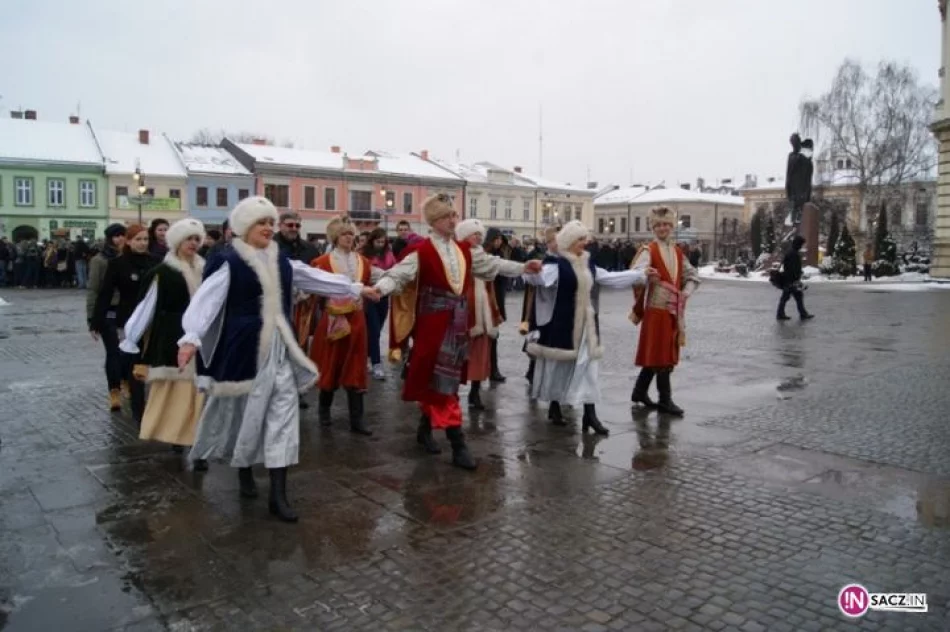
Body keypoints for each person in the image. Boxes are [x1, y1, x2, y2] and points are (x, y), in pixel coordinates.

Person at [176, 196, 380, 523]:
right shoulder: (230, 259)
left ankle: (278, 494)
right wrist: (190, 336)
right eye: (262, 223)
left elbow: (311, 278)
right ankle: (243, 470)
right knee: (247, 414)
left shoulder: (281, 259)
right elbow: (206, 301)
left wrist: (355, 288)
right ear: (245, 226)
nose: (269, 228)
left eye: (272, 223)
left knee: (283, 415)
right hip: (245, 350)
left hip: (280, 349)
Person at [373, 194, 540, 470]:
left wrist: (523, 267)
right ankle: (457, 442)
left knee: (442, 380)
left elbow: (492, 264)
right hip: (432, 324)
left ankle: (425, 429)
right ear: (436, 221)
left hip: (457, 322)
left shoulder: (464, 250)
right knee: (442, 382)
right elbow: (398, 274)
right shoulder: (422, 252)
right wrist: (379, 290)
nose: (454, 220)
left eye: (454, 215)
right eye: (449, 216)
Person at [525, 221, 653, 434]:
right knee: (560, 368)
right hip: (564, 325)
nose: (585, 243)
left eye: (585, 238)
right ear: (569, 241)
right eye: (580, 239)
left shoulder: (588, 264)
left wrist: (641, 274)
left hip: (587, 328)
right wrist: (530, 270)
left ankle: (590, 414)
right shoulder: (556, 266)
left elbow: (610, 278)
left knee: (588, 369)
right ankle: (555, 405)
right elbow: (536, 279)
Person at [119, 219, 208, 467]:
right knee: (175, 392)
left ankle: (198, 445)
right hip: (171, 338)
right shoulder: (161, 273)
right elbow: (145, 308)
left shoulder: (205, 269)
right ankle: (177, 437)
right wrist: (132, 339)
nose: (193, 243)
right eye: (189, 238)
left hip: (201, 341)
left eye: (196, 239)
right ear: (177, 241)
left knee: (199, 394)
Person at [630, 207, 701, 417]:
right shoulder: (648, 250)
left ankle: (639, 392)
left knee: (663, 352)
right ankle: (664, 399)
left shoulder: (678, 251)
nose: (663, 228)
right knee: (661, 355)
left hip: (673, 310)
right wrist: (646, 275)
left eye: (666, 225)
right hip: (656, 308)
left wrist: (686, 292)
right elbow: (635, 274)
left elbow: (692, 274)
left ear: (671, 227)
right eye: (659, 225)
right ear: (653, 227)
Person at [310, 216, 375, 435]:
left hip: (357, 320)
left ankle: (357, 420)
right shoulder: (322, 262)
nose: (349, 237)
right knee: (331, 365)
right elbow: (312, 292)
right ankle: (324, 411)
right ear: (335, 237)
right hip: (332, 321)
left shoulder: (364, 262)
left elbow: (377, 280)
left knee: (356, 367)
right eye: (344, 233)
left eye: (351, 233)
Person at [91, 224, 155, 423]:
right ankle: (138, 410)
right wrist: (95, 321)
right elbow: (104, 293)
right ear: (128, 241)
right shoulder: (118, 264)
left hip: (153, 320)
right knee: (131, 365)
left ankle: (151, 405)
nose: (143, 243)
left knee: (150, 363)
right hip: (128, 321)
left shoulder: (156, 262)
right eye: (138, 239)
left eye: (145, 239)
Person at [455, 219, 503, 410]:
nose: (477, 237)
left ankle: (475, 392)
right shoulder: (458, 256)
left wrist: (495, 310)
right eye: (473, 233)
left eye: (479, 234)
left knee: (481, 354)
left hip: (484, 311)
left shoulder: (485, 257)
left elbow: (491, 283)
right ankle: (453, 393)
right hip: (465, 310)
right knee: (460, 355)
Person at [87, 224, 127, 410]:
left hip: (126, 310)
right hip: (108, 311)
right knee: (113, 352)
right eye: (116, 236)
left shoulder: (127, 257)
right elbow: (93, 290)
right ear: (109, 238)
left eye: (122, 236)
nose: (120, 239)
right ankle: (114, 391)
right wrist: (92, 318)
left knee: (127, 352)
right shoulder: (99, 260)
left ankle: (127, 383)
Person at [361, 227, 396, 380]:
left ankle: (368, 355)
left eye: (383, 241)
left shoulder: (389, 254)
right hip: (369, 295)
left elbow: (395, 270)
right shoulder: (364, 254)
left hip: (384, 295)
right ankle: (376, 363)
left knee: (378, 328)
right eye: (378, 241)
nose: (381, 244)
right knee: (374, 330)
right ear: (372, 241)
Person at [483, 228, 508, 383]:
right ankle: (492, 370)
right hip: (491, 300)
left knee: (494, 337)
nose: (499, 242)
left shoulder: (498, 254)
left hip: (497, 299)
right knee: (491, 337)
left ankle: (493, 369)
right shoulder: (489, 256)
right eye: (497, 239)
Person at [777, 235, 814, 322]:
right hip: (791, 280)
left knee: (792, 297)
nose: (801, 246)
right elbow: (793, 268)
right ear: (798, 244)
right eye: (801, 244)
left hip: (789, 279)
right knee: (793, 297)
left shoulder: (790, 252)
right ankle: (801, 314)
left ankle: (782, 313)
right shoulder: (793, 253)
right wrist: (796, 278)